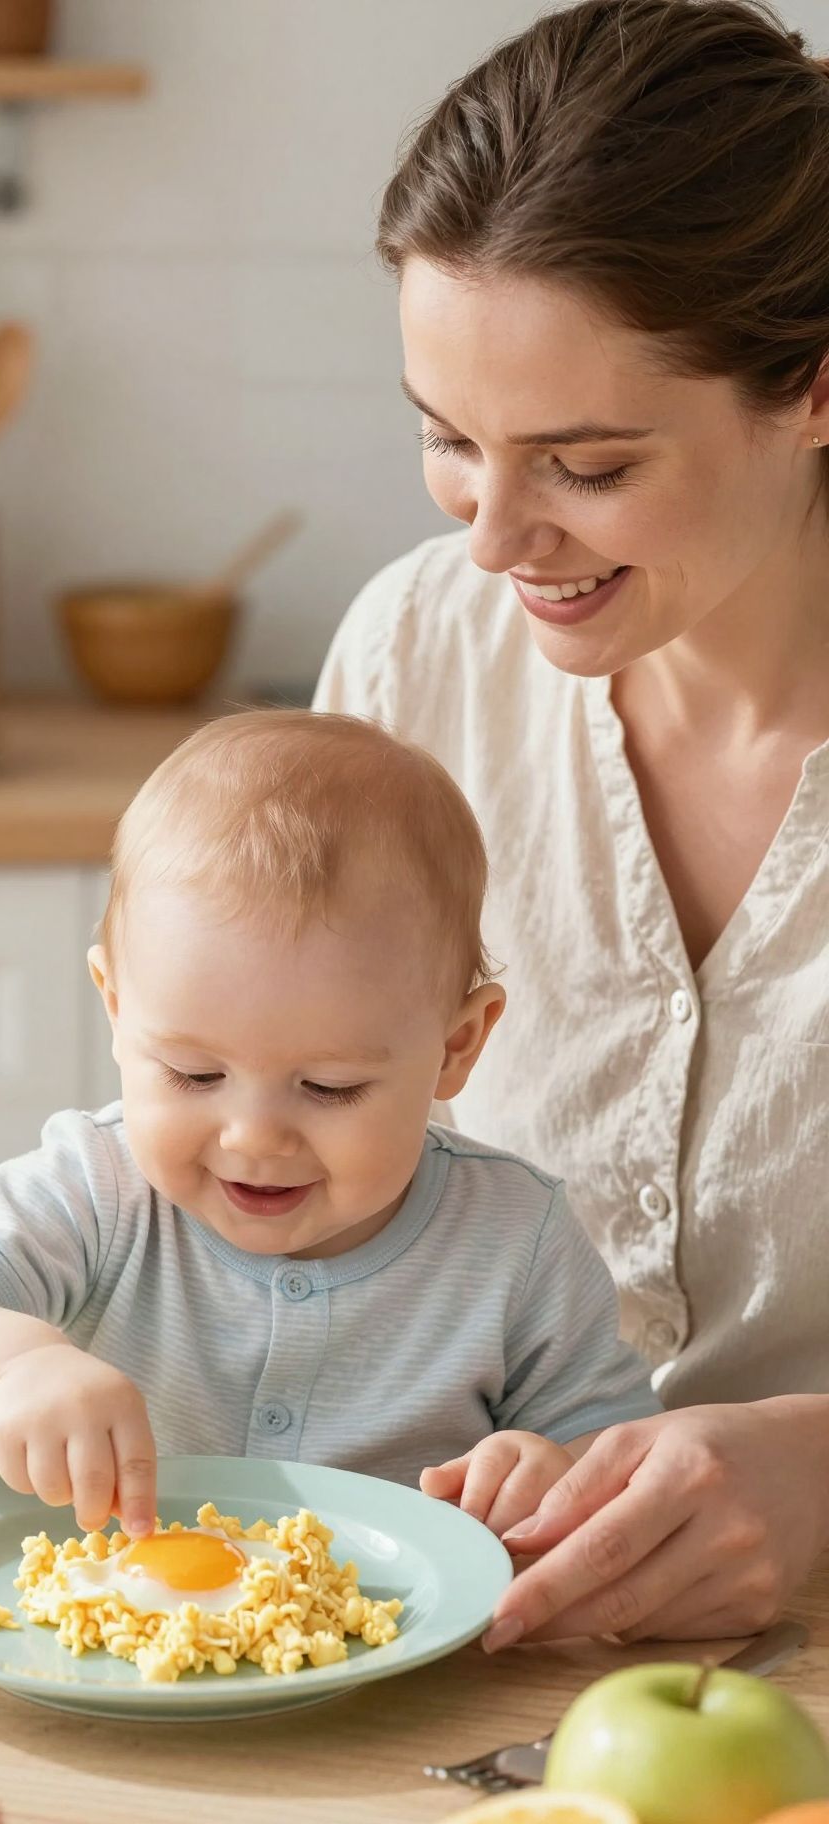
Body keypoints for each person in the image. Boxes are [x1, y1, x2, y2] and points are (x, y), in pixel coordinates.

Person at [314, 0, 829, 1649]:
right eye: (446, 440)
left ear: (813, 388)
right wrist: (29, 1342)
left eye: (585, 464)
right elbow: (235, 1117)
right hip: (447, 1634)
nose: (492, 540)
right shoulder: (413, 657)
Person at [0, 712, 659, 1538]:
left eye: (330, 1086)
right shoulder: (98, 1189)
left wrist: (552, 1473)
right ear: (116, 1010)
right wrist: (9, 1370)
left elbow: (619, 1465)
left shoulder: (518, 1240)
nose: (255, 1138)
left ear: (456, 1045)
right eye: (195, 1075)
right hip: (106, 1650)